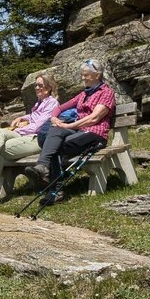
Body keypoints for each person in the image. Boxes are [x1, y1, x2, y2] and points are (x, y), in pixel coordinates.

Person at [23, 59, 115, 202]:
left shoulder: (106, 93)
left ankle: (55, 190)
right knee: (55, 132)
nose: (83, 78)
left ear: (97, 75)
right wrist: (54, 118)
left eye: (86, 75)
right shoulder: (83, 94)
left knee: (56, 145)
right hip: (79, 131)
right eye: (82, 75)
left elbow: (94, 118)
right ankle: (42, 167)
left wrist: (68, 126)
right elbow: (59, 108)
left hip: (95, 133)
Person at [0, 73, 59, 204]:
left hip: (36, 139)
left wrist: (18, 129)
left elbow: (38, 125)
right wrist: (22, 117)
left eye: (40, 85)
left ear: (49, 87)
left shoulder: (52, 103)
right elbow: (34, 117)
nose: (36, 88)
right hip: (25, 135)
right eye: (35, 85)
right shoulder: (40, 103)